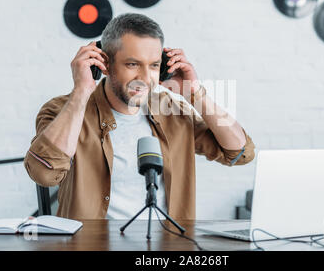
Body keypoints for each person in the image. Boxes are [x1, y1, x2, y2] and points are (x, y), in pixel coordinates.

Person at [24, 13, 255, 220]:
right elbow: (44, 174)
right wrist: (81, 91)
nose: (145, 77)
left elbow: (240, 153)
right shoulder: (61, 110)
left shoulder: (171, 110)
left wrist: (195, 94)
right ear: (104, 63)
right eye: (133, 64)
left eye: (154, 65)